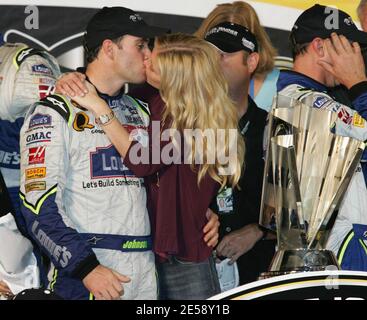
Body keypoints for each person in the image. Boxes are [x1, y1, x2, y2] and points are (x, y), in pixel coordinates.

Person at [68, 32, 245, 300]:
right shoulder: (152, 100)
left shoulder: (191, 118)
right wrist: (73, 79)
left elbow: (142, 163)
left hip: (185, 257)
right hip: (147, 250)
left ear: (176, 74)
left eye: (153, 59)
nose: (145, 58)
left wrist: (98, 107)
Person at [18, 6, 170, 301]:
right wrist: (86, 268)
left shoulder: (143, 110)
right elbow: (37, 205)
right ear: (109, 49)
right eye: (140, 45)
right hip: (89, 273)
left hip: (145, 271)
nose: (149, 55)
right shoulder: (54, 111)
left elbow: (162, 186)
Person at [276, 4, 367, 271]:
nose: (357, 54)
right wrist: (358, 83)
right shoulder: (304, 101)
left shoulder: (320, 99)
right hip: (337, 251)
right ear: (320, 46)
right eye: (349, 45)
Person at [0, 41, 60, 227]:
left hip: (25, 184)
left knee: (24, 253)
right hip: (20, 184)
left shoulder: (27, 61)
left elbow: (46, 116)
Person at [195, 1, 279, 112]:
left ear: (252, 59)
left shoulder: (279, 87)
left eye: (226, 51)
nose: (216, 60)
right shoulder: (188, 80)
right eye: (212, 48)